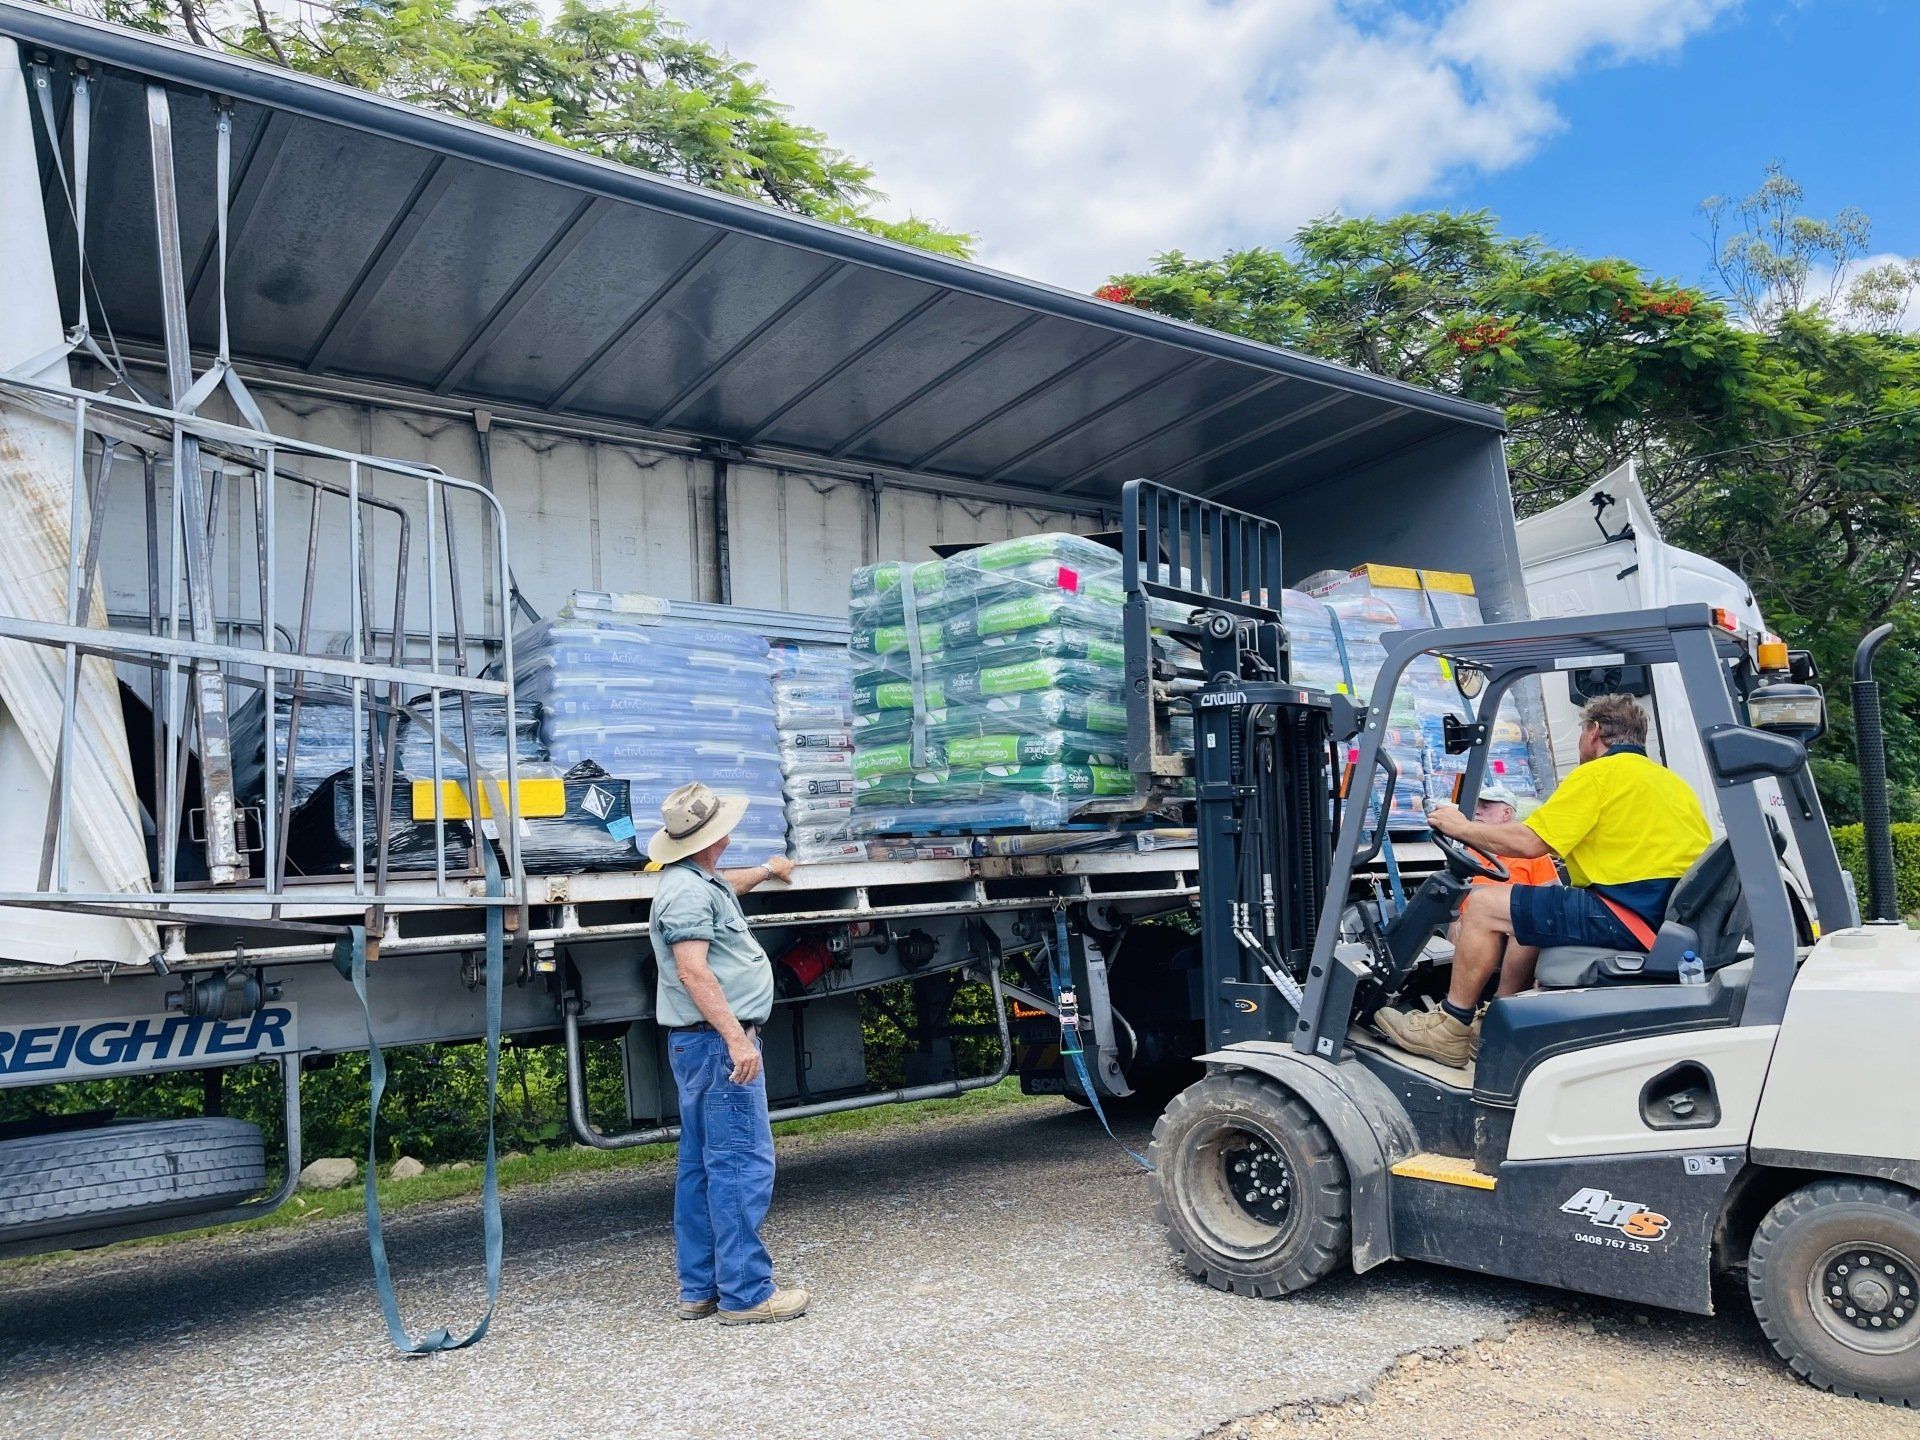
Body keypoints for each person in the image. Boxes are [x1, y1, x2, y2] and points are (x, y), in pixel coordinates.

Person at [1374, 694, 1712, 1068]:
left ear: (1595, 731)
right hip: (1655, 914)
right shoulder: (1672, 784)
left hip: (1623, 915)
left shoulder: (1600, 775)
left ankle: (1450, 1026)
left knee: (1486, 904)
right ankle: (1498, 1020)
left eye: (1584, 733)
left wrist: (1463, 828)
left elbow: (1530, 844)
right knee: (1528, 911)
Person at [647, 780, 807, 1325]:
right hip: (719, 1045)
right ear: (718, 834)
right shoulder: (689, 892)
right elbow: (694, 969)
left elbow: (724, 888)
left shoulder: (696, 880)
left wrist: (766, 870)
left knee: (701, 1169)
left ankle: (701, 1287)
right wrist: (738, 1038)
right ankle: (746, 1294)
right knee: (739, 1164)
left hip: (699, 1045)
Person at [1452, 782, 1560, 1004]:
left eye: (1487, 806)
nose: (1478, 810)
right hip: (1472, 922)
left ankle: (1503, 1001)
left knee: (1526, 925)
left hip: (1511, 921)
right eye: (1477, 805)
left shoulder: (1533, 854)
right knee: (1457, 920)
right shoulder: (1467, 850)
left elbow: (1553, 893)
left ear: (1507, 813)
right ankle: (1455, 1000)